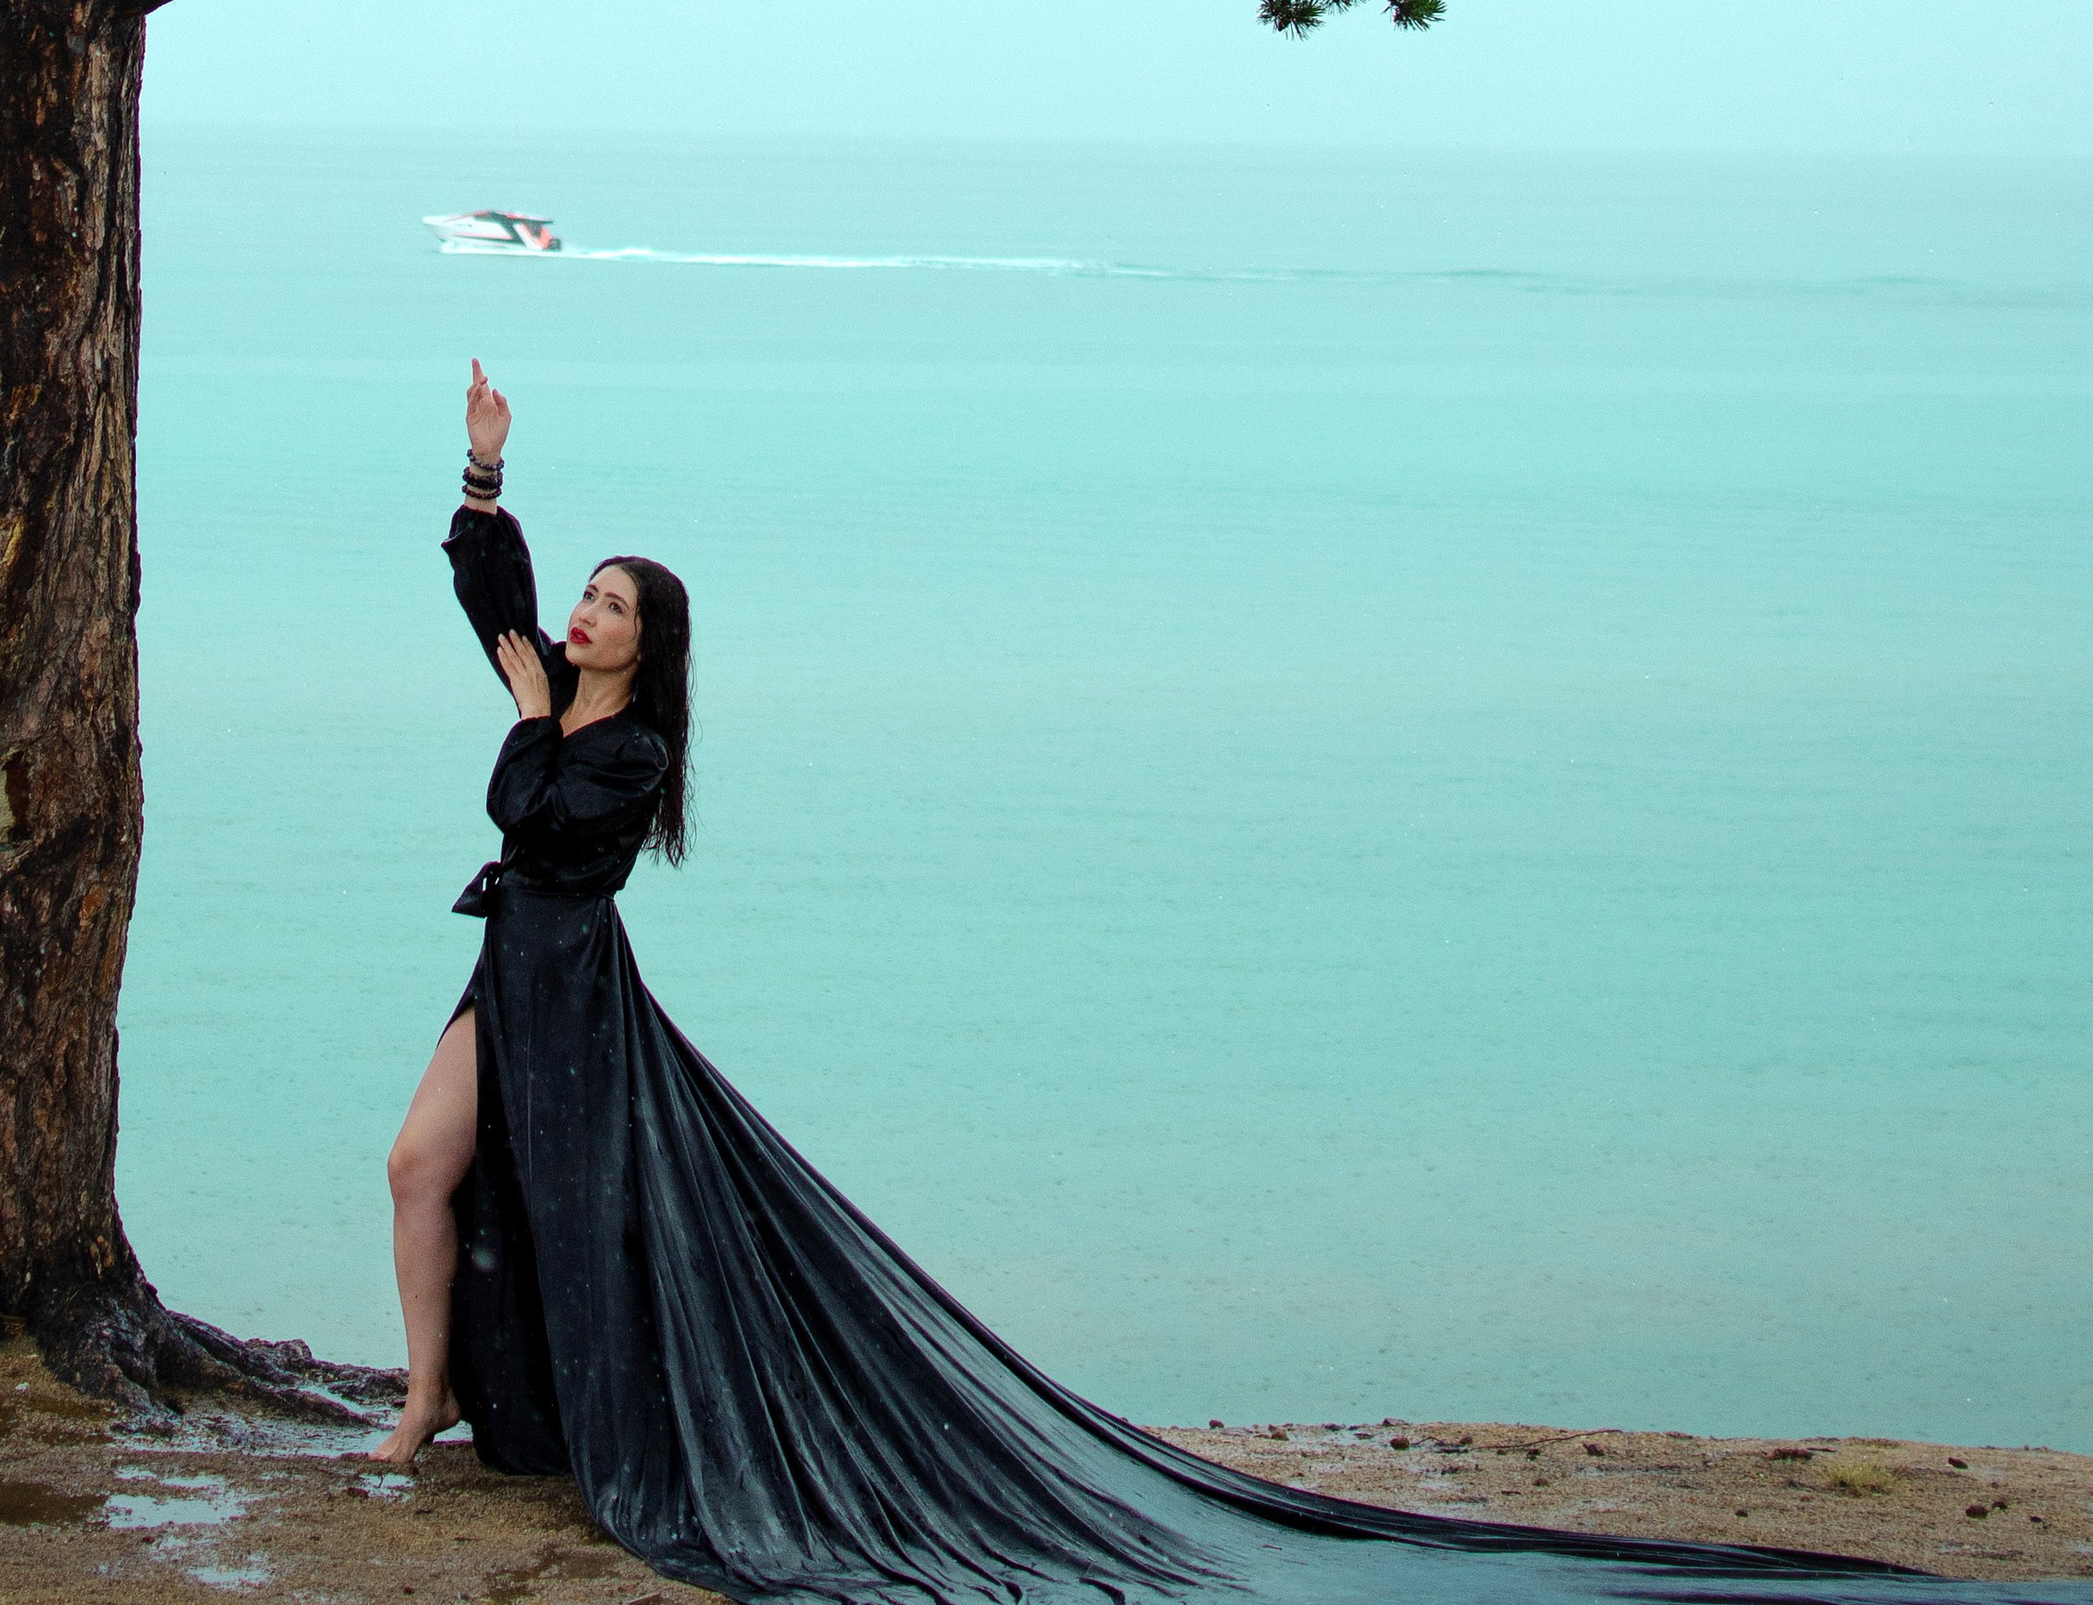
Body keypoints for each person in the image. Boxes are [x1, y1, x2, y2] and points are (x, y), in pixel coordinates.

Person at [373, 368, 2071, 1605]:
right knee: (421, 1163)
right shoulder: (552, 683)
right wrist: (484, 469)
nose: (582, 614)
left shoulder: (625, 745)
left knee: (563, 1203)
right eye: (586, 595)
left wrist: (528, 712)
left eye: (607, 602)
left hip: (570, 985)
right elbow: (490, 606)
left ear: (646, 641)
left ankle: (513, 1399)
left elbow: (522, 801)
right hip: (501, 963)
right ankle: (431, 1390)